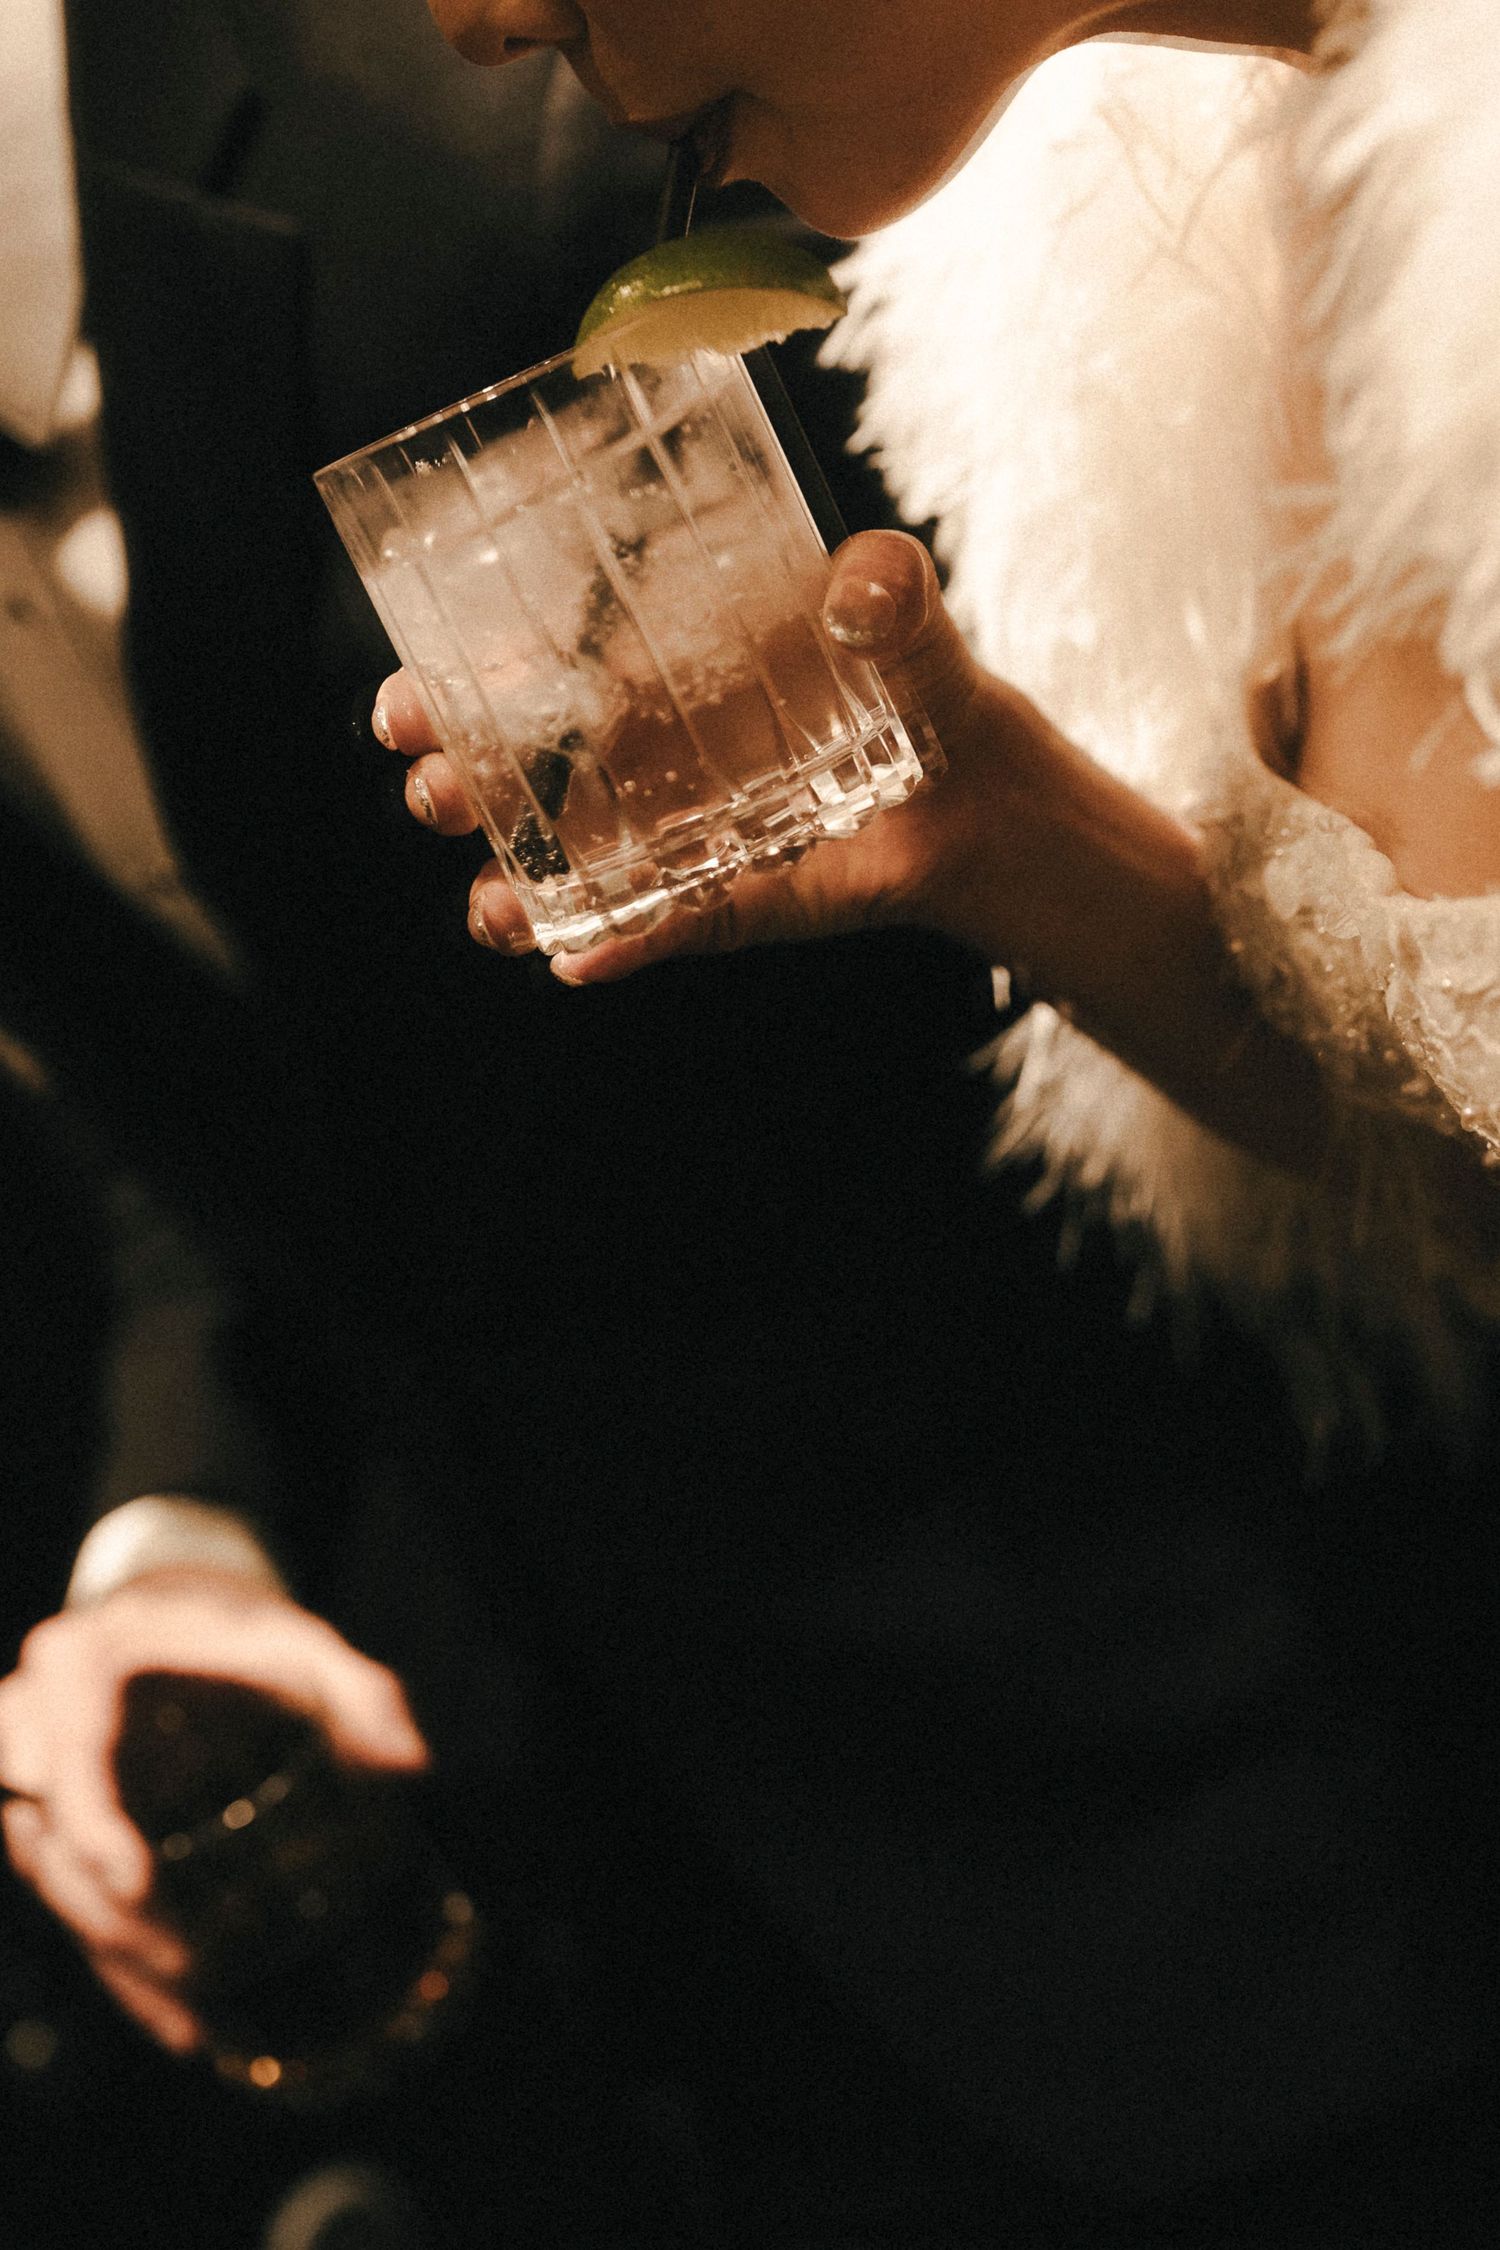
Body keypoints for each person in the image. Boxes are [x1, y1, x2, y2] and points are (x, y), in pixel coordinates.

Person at [6, 1, 1500, 2244]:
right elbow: (228, 1086)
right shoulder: (1154, 210)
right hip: (662, 1901)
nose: (482, 19)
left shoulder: (700, 123)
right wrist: (176, 1528)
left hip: (1255, 1761)